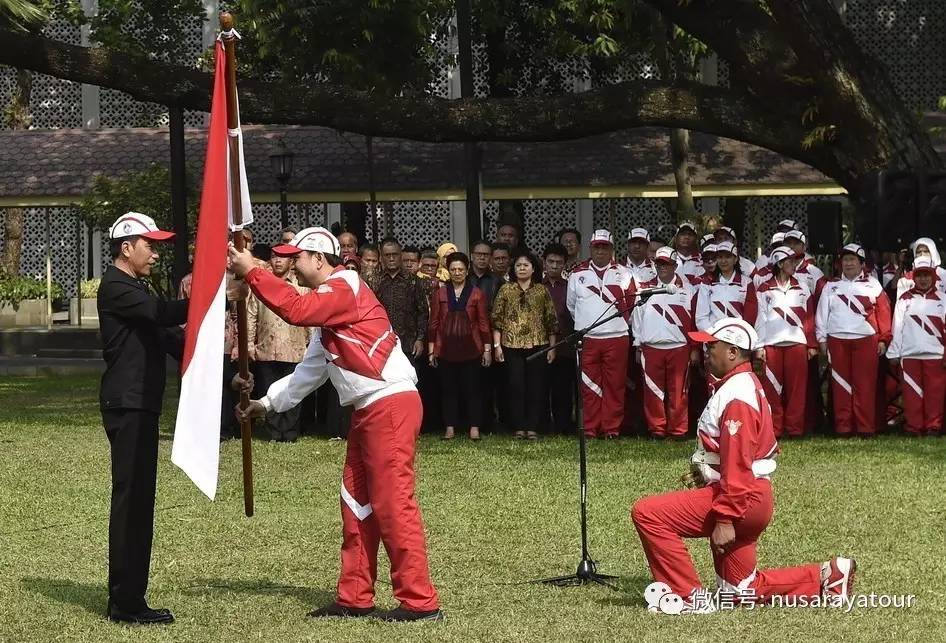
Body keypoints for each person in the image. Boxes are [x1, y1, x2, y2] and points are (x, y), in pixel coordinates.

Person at [229, 227, 442, 622]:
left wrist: (255, 271)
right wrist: (265, 404)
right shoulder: (330, 313)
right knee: (357, 502)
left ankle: (420, 602)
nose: (293, 265)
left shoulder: (344, 285)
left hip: (388, 405)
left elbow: (295, 308)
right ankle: (355, 597)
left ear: (319, 258)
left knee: (393, 503)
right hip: (369, 409)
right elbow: (307, 374)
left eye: (298, 258)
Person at [632, 317, 856, 613]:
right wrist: (710, 472)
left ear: (733, 353)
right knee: (738, 592)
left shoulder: (737, 393)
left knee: (648, 513)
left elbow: (738, 463)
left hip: (741, 500)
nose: (707, 350)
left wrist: (725, 519)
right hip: (750, 497)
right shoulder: (742, 385)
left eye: (713, 345)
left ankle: (686, 598)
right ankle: (827, 577)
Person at [97, 212, 186, 625]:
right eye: (149, 245)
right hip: (128, 404)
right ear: (126, 247)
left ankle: (130, 595)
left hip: (139, 403)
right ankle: (125, 603)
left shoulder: (134, 287)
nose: (155, 253)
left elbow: (167, 338)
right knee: (132, 502)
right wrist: (212, 293)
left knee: (139, 502)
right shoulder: (118, 287)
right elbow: (162, 314)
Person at [816, 243, 892, 437]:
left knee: (865, 385)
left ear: (862, 263)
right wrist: (821, 339)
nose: (848, 263)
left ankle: (865, 428)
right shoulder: (830, 286)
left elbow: (883, 313)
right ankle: (844, 427)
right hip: (837, 340)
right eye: (845, 260)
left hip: (866, 340)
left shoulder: (874, 284)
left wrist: (884, 339)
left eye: (852, 260)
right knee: (841, 385)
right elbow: (821, 314)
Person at [566, 229, 634, 439]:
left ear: (612, 249)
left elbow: (631, 304)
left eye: (605, 247)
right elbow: (571, 305)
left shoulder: (624, 273)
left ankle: (611, 428)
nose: (601, 252)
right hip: (588, 338)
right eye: (597, 247)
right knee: (588, 384)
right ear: (590, 248)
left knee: (615, 384)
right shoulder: (577, 274)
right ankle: (590, 428)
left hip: (617, 336)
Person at [632, 246, 699, 440]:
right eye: (659, 264)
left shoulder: (689, 289)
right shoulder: (644, 289)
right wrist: (637, 344)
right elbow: (637, 319)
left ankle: (678, 431)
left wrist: (694, 348)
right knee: (653, 391)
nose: (662, 268)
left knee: (679, 392)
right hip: (651, 347)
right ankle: (657, 430)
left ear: (675, 265)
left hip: (679, 346)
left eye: (667, 264)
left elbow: (695, 320)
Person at [246, 248, 312, 442]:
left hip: (295, 347)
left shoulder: (300, 287)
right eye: (274, 257)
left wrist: (311, 342)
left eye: (282, 258)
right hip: (267, 347)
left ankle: (290, 432)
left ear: (291, 262)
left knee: (293, 391)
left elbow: (310, 317)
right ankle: (274, 431)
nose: (278, 261)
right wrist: (250, 343)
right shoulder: (261, 285)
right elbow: (251, 315)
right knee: (269, 389)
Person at [492, 251, 558, 439]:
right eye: (518, 265)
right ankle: (519, 427)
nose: (522, 268)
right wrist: (497, 346)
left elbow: (551, 320)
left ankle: (533, 427)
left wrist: (552, 347)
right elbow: (497, 319)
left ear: (533, 268)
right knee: (515, 386)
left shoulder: (541, 290)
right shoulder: (506, 290)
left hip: (538, 345)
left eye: (525, 265)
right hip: (511, 346)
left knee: (536, 387)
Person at [754, 246, 818, 438]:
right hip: (771, 345)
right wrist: (759, 346)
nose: (794, 264)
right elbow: (760, 319)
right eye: (790, 261)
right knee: (772, 389)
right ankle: (775, 429)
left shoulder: (803, 287)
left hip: (797, 344)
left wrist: (812, 344)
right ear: (780, 264)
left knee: (797, 391)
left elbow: (809, 318)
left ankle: (795, 429)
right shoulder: (764, 289)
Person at [428, 252, 492, 440]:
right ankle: (450, 427)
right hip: (446, 347)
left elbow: (483, 322)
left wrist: (487, 349)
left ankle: (474, 427)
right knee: (449, 390)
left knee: (473, 389)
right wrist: (432, 349)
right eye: (453, 269)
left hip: (471, 347)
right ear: (448, 271)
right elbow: (434, 322)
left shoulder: (476, 293)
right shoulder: (440, 293)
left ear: (467, 270)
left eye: (461, 269)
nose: (457, 273)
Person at [886, 255, 946, 436]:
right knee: (911, 394)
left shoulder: (943, 299)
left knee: (935, 394)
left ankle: (933, 427)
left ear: (934, 275)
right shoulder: (904, 299)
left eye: (927, 275)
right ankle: (913, 427)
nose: (923, 279)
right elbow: (897, 327)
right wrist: (894, 353)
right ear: (913, 277)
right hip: (909, 354)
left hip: (935, 355)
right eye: (919, 275)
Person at [373, 237, 428, 360]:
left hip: (408, 345)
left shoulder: (413, 281)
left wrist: (420, 339)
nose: (391, 258)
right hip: (381, 345)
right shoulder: (374, 281)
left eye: (395, 254)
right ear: (381, 258)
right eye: (387, 255)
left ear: (401, 255)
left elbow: (423, 312)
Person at [543, 243, 575, 434]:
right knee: (541, 387)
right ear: (544, 262)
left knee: (563, 389)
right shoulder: (536, 286)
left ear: (565, 264)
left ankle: (563, 425)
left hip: (565, 345)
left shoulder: (571, 286)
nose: (554, 266)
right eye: (551, 262)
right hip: (541, 345)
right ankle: (544, 424)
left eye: (559, 262)